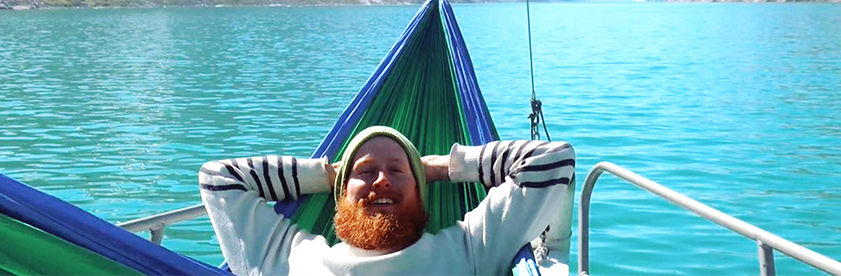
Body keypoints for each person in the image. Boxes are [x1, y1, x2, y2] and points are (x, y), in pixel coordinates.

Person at [199, 126, 575, 275]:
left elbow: (552, 159)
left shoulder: (470, 247)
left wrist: (444, 167)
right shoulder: (289, 255)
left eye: (398, 171)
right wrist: (328, 174)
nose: (381, 180)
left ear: (421, 191)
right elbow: (218, 177)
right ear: (339, 196)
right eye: (363, 172)